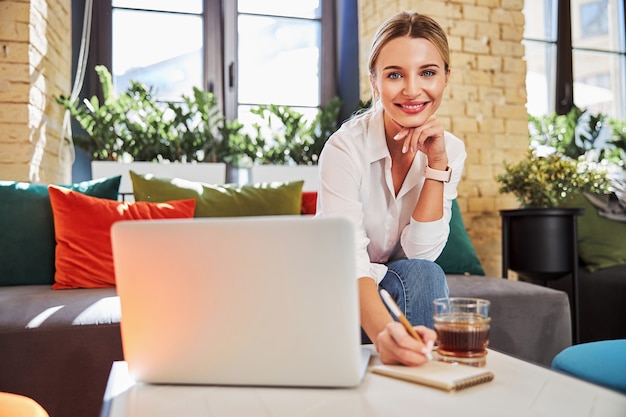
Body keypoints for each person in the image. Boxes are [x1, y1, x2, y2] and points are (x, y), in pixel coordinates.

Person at [316, 11, 466, 366]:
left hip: (397, 282)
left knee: (425, 272)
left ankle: (419, 378)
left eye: (427, 72)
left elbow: (420, 254)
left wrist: (437, 168)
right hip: (333, 285)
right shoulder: (344, 149)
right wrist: (386, 336)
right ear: (375, 81)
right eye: (395, 74)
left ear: (446, 77)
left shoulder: (451, 150)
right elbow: (347, 262)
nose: (412, 90)